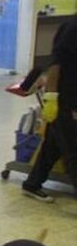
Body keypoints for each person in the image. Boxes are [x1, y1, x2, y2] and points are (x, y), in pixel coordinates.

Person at [22, 16, 77, 202]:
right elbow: (56, 64)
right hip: (64, 98)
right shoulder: (72, 28)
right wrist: (52, 96)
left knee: (54, 144)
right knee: (73, 149)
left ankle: (32, 184)